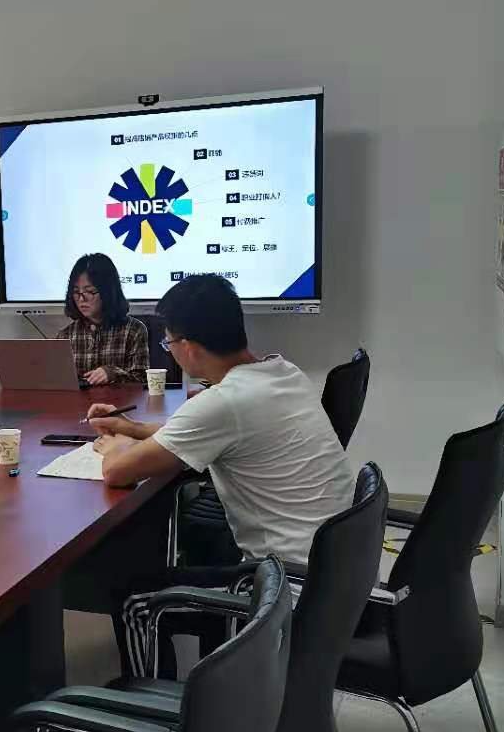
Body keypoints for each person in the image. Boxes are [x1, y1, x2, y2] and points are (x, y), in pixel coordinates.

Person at [87, 273, 355, 664]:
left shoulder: (224, 402)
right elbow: (201, 432)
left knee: (134, 599)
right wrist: (131, 427)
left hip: (288, 588)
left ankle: (153, 698)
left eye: (168, 343)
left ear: (189, 348)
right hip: (337, 572)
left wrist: (116, 445)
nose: (169, 351)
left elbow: (117, 472)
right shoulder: (282, 372)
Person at [59, 253, 148, 386]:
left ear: (108, 292)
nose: (81, 299)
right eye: (76, 292)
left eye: (90, 292)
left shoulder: (134, 330)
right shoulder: (66, 335)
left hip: (119, 399)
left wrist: (113, 374)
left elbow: (143, 382)